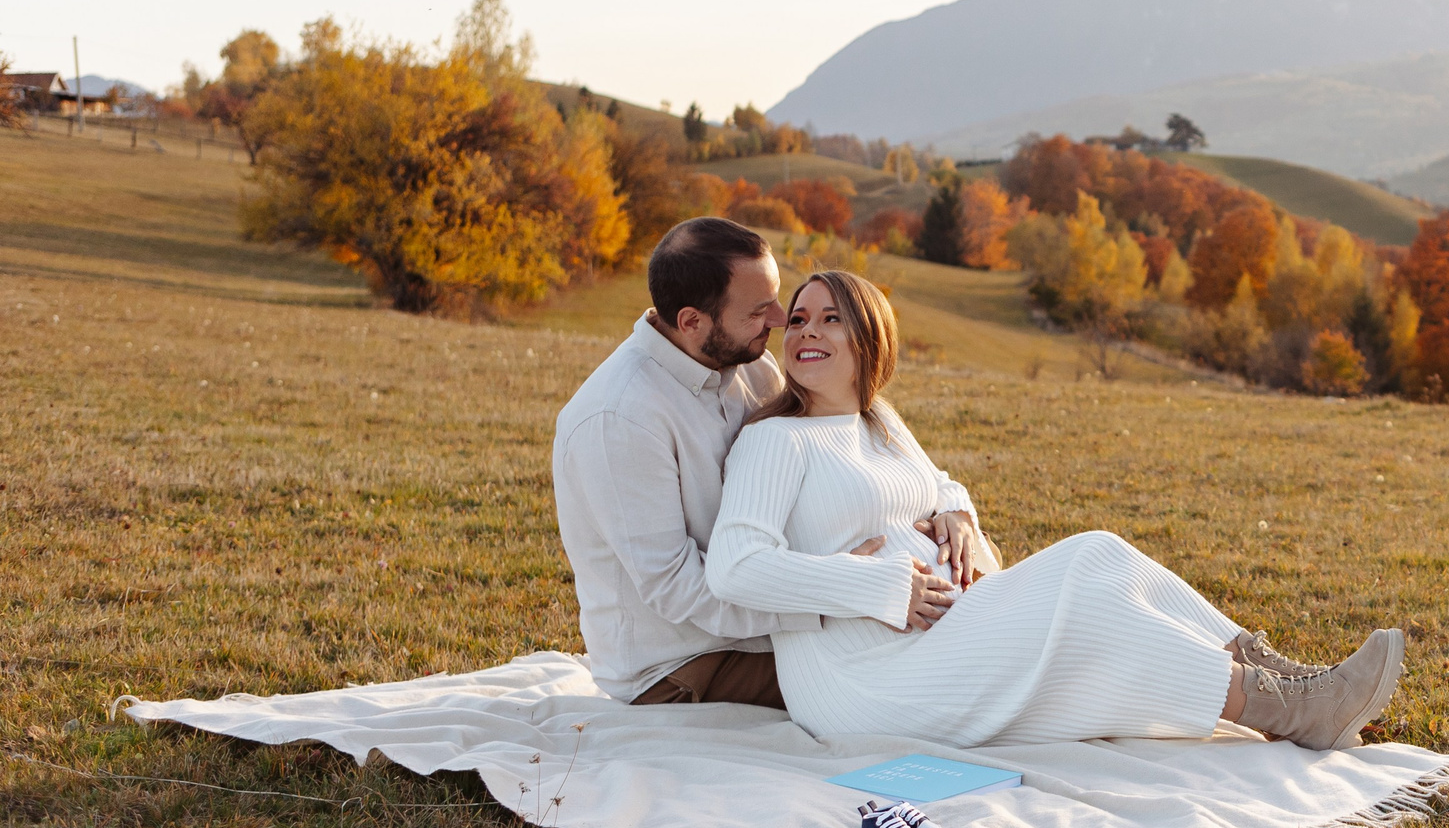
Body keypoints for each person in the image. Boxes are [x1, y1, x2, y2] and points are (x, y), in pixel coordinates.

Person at [705, 270, 1404, 749]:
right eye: (797, 319)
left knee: (1098, 551)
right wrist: (880, 584)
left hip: (936, 635)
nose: (806, 331)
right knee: (1090, 600)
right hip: (860, 675)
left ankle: (1288, 678)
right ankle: (1289, 711)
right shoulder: (775, 441)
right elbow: (735, 567)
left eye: (832, 317)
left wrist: (957, 515)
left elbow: (939, 483)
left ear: (868, 340)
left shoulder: (876, 419)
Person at [553, 218, 920, 707]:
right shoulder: (618, 419)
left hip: (773, 621)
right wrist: (835, 596)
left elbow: (850, 441)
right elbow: (678, 590)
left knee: (936, 634)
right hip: (686, 665)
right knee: (900, 669)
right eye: (756, 310)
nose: (776, 318)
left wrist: (949, 508)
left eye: (774, 298)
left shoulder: (748, 363)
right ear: (691, 322)